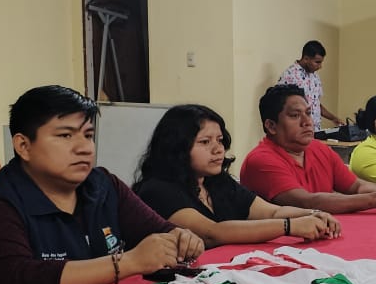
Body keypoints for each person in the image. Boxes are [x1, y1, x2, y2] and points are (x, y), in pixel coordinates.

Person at [0, 85, 204, 284]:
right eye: (65, 135)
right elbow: (20, 282)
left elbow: (160, 231)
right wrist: (127, 263)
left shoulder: (104, 185)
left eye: (88, 135)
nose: (84, 148)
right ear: (23, 146)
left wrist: (181, 239)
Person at [133, 104, 340, 247]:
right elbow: (212, 233)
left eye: (220, 140)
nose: (218, 149)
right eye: (205, 142)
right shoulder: (158, 189)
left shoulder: (216, 181)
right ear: (176, 147)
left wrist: (312, 214)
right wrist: (290, 226)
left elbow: (272, 212)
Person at [240, 85, 376, 213]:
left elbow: (356, 186)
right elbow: (307, 203)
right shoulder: (261, 160)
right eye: (295, 115)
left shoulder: (318, 148)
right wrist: (375, 199)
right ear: (271, 126)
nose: (307, 122)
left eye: (308, 113)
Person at [276, 40, 342, 131]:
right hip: (298, 132)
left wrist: (333, 118)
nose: (320, 66)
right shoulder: (290, 76)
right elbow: (282, 107)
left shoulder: (315, 77)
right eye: (317, 62)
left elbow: (316, 104)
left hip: (315, 131)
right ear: (306, 59)